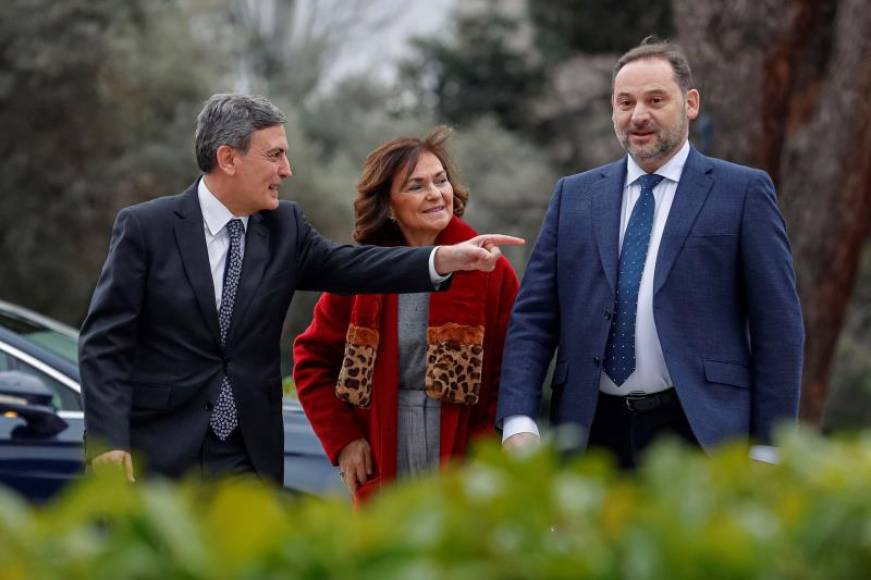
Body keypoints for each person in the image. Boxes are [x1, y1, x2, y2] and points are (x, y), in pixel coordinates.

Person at [79, 94, 523, 484]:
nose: (286, 170)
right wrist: (107, 440)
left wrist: (444, 259)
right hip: (155, 451)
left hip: (247, 456)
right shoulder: (146, 228)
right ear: (229, 158)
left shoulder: (285, 227)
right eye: (274, 155)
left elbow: (352, 266)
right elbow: (105, 343)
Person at [496, 38, 804, 469]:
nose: (638, 115)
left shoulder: (743, 192)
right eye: (625, 102)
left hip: (702, 433)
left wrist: (770, 446)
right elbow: (534, 318)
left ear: (690, 103)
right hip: (589, 434)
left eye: (655, 100)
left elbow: (778, 325)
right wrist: (518, 420)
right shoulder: (574, 196)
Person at [293, 128, 519, 502]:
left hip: (463, 457)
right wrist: (344, 439)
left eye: (441, 181)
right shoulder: (362, 272)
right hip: (384, 449)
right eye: (416, 186)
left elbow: (513, 371)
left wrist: (485, 447)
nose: (435, 193)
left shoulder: (491, 271)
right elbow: (311, 361)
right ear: (389, 206)